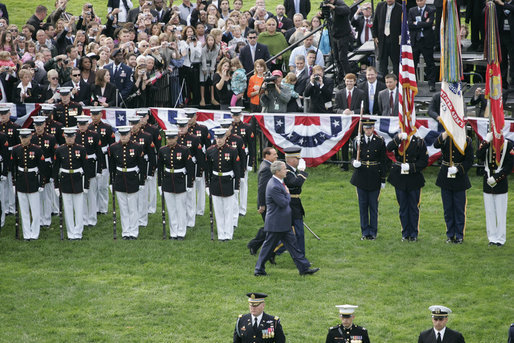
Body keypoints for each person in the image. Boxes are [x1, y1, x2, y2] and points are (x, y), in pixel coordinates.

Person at [254, 160, 319, 276]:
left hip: (283, 223)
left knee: (294, 247)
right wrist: (288, 194)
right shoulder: (274, 186)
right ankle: (259, 270)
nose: (286, 171)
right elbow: (283, 203)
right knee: (268, 248)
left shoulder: (278, 182)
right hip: (276, 224)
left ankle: (304, 269)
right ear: (278, 171)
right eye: (284, 169)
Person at [386, 131, 428, 241]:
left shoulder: (419, 141)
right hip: (399, 178)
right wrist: (398, 138)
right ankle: (405, 233)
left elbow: (424, 162)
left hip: (414, 178)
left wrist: (410, 167)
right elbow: (389, 148)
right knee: (403, 207)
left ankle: (413, 234)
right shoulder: (399, 139)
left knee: (414, 207)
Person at [433, 132, 473, 244]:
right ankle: (450, 235)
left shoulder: (467, 140)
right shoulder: (446, 137)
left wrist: (458, 169)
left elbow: (469, 160)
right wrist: (445, 133)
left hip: (459, 178)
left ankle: (459, 235)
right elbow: (436, 144)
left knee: (459, 209)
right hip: (445, 176)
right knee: (448, 209)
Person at [350, 119, 387, 240]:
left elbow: (383, 161)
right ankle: (365, 232)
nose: (368, 130)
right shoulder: (358, 141)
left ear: (373, 128)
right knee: (363, 206)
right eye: (366, 128)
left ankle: (373, 232)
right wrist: (354, 162)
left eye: (370, 128)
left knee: (373, 206)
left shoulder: (379, 141)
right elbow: (352, 157)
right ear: (363, 129)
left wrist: (382, 179)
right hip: (361, 177)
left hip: (374, 176)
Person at [476, 132, 513, 247]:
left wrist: (497, 178)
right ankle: (492, 237)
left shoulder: (508, 145)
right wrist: (486, 142)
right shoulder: (487, 143)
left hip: (500, 183)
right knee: (490, 212)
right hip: (487, 182)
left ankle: (500, 238)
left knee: (501, 212)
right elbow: (479, 156)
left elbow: (509, 165)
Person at [53, 127, 90, 240]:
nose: (69, 139)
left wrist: (86, 185)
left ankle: (78, 232)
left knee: (79, 208)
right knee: (68, 209)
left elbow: (86, 168)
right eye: (67, 137)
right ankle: (70, 232)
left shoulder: (81, 149)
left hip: (78, 179)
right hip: (65, 180)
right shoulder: (59, 150)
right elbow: (55, 169)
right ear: (64, 137)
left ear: (75, 136)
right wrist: (56, 186)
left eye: (72, 136)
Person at [108, 126, 145, 240]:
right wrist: (111, 182)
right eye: (121, 135)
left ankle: (133, 232)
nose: (123, 137)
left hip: (132, 178)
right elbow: (112, 167)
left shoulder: (137, 147)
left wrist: (141, 181)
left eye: (125, 134)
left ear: (130, 135)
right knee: (123, 208)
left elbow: (142, 165)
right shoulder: (113, 148)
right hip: (119, 179)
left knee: (133, 208)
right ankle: (126, 231)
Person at [158, 127, 195, 240]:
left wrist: (189, 184)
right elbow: (160, 168)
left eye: (172, 138)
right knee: (171, 209)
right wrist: (160, 184)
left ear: (176, 138)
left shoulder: (184, 150)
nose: (170, 140)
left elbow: (190, 168)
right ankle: (173, 232)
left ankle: (181, 232)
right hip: (168, 180)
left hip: (180, 180)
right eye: (168, 138)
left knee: (180, 208)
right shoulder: (163, 150)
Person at [205, 128, 240, 241]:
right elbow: (208, 170)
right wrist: (207, 185)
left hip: (228, 182)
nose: (219, 140)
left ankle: (228, 234)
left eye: (221, 138)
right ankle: (221, 234)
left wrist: (236, 186)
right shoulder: (210, 150)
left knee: (228, 210)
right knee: (218, 211)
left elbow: (237, 170)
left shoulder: (232, 151)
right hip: (215, 183)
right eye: (217, 138)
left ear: (225, 138)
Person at [12, 128, 44, 240]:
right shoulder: (16, 150)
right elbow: (14, 167)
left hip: (33, 180)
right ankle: (26, 233)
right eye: (22, 137)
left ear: (30, 137)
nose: (23, 140)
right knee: (24, 210)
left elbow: (42, 167)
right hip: (21, 180)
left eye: (26, 137)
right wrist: (13, 183)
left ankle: (34, 233)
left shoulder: (37, 150)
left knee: (35, 210)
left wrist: (41, 184)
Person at [247, 147, 278, 255]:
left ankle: (255, 246)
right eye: (274, 154)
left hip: (268, 203)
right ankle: (254, 245)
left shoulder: (268, 166)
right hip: (266, 204)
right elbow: (262, 188)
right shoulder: (266, 168)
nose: (277, 156)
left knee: (271, 227)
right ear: (267, 156)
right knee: (271, 228)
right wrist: (262, 205)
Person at [128, 115, 156, 229]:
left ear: (139, 124)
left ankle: (142, 219)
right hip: (130, 168)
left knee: (142, 195)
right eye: (131, 123)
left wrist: (150, 172)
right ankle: (133, 217)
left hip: (143, 167)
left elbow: (152, 155)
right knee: (131, 195)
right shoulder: (127, 136)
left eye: (135, 124)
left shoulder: (146, 136)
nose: (133, 126)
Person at [75, 115, 103, 228]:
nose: (82, 127)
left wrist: (100, 169)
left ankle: (92, 219)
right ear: (78, 125)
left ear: (87, 124)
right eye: (80, 125)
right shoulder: (74, 135)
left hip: (91, 166)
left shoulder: (94, 135)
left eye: (84, 125)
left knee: (91, 194)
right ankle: (83, 218)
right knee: (81, 194)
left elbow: (99, 152)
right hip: (78, 167)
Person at [31, 116, 58, 229]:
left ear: (44, 125)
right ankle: (39, 218)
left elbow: (54, 156)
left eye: (40, 125)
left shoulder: (51, 138)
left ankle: (46, 220)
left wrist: (53, 173)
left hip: (46, 168)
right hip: (35, 169)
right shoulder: (31, 138)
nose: (38, 128)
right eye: (36, 125)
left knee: (46, 196)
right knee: (36, 196)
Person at [88, 107, 115, 215]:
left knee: (103, 185)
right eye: (92, 115)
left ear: (101, 115)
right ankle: (94, 207)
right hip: (92, 158)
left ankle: (103, 208)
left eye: (96, 114)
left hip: (104, 157)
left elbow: (112, 145)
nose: (94, 117)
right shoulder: (88, 127)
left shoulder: (107, 128)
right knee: (93, 185)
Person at [176, 117, 203, 227]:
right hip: (179, 171)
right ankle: (181, 218)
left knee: (190, 195)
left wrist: (199, 173)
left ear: (187, 126)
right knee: (181, 196)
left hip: (191, 169)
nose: (181, 129)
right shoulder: (175, 138)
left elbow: (200, 156)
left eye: (183, 127)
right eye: (180, 127)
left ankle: (190, 220)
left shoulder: (194, 139)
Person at [230, 106, 255, 217]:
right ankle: (234, 207)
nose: (235, 118)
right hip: (231, 158)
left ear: (240, 115)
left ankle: (242, 208)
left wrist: (250, 163)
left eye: (237, 115)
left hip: (243, 158)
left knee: (243, 183)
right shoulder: (228, 127)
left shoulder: (247, 127)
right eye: (234, 115)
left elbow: (252, 145)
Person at [282, 147, 308, 255]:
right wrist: (302, 172)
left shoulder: (291, 170)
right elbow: (295, 183)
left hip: (295, 204)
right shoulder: (286, 171)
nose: (299, 161)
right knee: (298, 232)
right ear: (292, 160)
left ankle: (274, 252)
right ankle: (301, 256)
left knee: (293, 232)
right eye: (297, 159)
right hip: (291, 204)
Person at [185, 108, 210, 217]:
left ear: (196, 116)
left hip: (199, 160)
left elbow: (208, 146)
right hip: (186, 162)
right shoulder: (183, 130)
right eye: (188, 116)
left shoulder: (203, 129)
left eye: (191, 116)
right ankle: (190, 208)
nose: (189, 119)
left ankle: (200, 209)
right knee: (189, 185)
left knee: (200, 185)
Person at [408, 0, 436, 92]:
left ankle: (431, 84)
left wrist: (417, 23)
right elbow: (410, 24)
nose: (420, 2)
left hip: (426, 41)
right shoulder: (412, 10)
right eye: (418, 1)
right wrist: (423, 24)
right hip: (415, 41)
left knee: (430, 63)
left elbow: (429, 23)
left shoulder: (430, 10)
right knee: (413, 63)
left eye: (421, 0)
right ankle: (413, 83)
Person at [324, 0, 352, 83]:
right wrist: (321, 15)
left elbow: (347, 10)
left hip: (343, 35)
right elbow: (326, 16)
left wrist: (334, 8)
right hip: (334, 36)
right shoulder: (327, 4)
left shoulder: (339, 3)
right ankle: (340, 78)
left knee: (342, 58)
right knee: (336, 58)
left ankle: (349, 78)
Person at [372, 0, 402, 77]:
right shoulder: (380, 6)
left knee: (396, 64)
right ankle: (383, 84)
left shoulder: (400, 8)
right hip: (382, 40)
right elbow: (375, 22)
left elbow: (403, 25)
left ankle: (396, 84)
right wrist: (374, 36)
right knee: (382, 64)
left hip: (395, 40)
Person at [0, 106, 20, 216]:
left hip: (11, 158)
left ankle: (12, 207)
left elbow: (18, 145)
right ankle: (5, 207)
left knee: (12, 183)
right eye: (1, 114)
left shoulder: (15, 128)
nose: (2, 116)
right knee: (3, 184)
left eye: (4, 114)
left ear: (9, 114)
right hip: (2, 159)